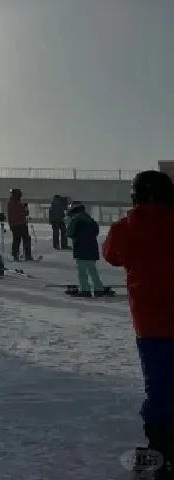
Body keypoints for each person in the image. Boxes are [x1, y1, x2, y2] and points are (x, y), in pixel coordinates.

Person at [103, 170, 174, 475]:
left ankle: (162, 452)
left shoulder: (126, 227)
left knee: (160, 387)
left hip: (152, 326)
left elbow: (110, 255)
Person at [65, 201, 105, 297]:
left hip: (81, 249)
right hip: (92, 248)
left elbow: (69, 233)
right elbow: (96, 231)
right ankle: (98, 289)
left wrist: (69, 223)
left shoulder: (76, 219)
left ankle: (85, 290)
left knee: (82, 272)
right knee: (93, 270)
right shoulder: (90, 219)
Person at [7, 188, 33, 261]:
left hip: (13, 225)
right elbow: (24, 213)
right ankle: (27, 255)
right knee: (26, 239)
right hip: (21, 224)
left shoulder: (11, 202)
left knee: (16, 240)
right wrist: (25, 208)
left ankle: (15, 255)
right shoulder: (17, 203)